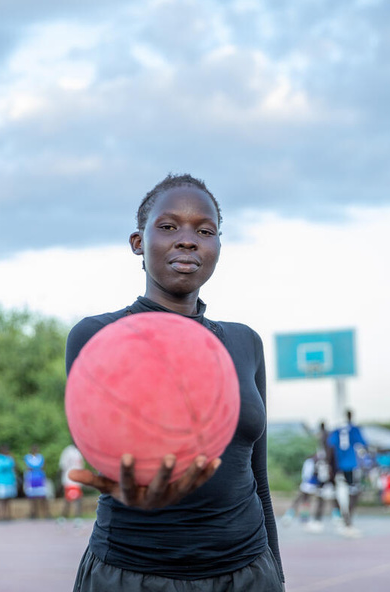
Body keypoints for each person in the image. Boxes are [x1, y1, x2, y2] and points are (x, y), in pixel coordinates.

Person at [64, 174, 284, 591]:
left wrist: (279, 576)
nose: (188, 239)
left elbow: (260, 480)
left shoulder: (245, 342)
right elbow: (105, 461)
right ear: (137, 243)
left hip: (249, 574)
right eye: (168, 227)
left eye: (205, 230)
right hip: (132, 572)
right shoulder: (98, 337)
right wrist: (134, 491)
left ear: (218, 246)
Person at [327, 409, 367, 537]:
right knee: (353, 493)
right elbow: (364, 444)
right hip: (350, 465)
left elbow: (330, 445)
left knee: (339, 493)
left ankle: (342, 519)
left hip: (338, 466)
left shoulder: (337, 430)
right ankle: (347, 522)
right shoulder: (354, 429)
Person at [59, 444, 85, 519]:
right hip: (69, 479)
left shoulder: (79, 451)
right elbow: (63, 466)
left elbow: (81, 466)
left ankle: (78, 517)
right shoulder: (68, 451)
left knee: (78, 499)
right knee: (68, 499)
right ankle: (63, 516)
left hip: (78, 480)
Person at [24, 445, 49, 519]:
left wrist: (34, 467)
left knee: (42, 497)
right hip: (31, 479)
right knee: (32, 498)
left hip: (40, 479)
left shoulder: (40, 457)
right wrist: (37, 467)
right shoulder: (28, 457)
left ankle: (46, 513)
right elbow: (29, 467)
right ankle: (34, 513)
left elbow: (41, 466)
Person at [0, 444, 17, 521]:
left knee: (8, 499)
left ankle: (8, 515)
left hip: (10, 481)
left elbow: (14, 466)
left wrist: (11, 459)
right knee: (1, 499)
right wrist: (8, 463)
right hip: (1, 481)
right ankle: (0, 516)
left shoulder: (10, 458)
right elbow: (0, 468)